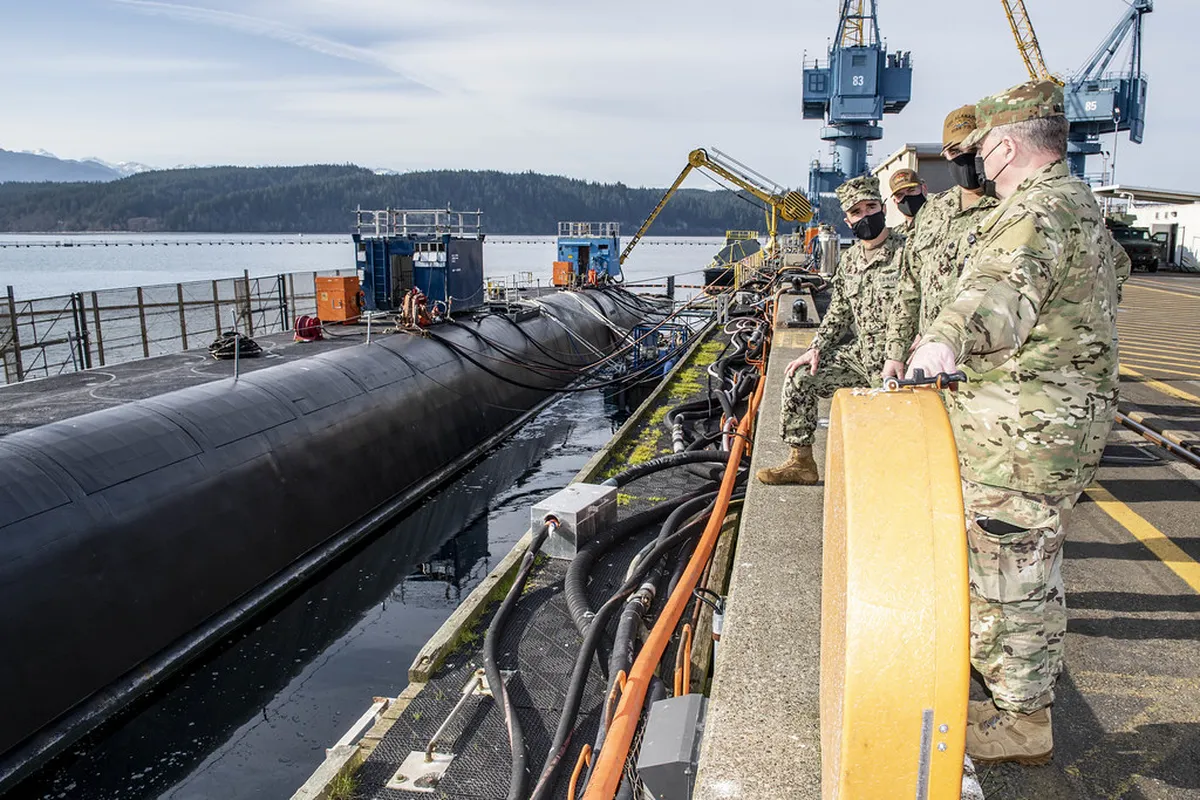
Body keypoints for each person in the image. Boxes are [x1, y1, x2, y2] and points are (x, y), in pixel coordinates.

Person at [906, 80, 1120, 765]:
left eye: (981, 152)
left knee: (1014, 579)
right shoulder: (1077, 202)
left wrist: (938, 343)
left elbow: (995, 294)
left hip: (1023, 437)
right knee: (1011, 568)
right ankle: (1012, 697)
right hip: (1047, 427)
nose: (979, 166)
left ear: (1002, 146)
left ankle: (1024, 723)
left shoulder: (1036, 210)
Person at [757, 176, 904, 485]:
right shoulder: (850, 260)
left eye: (871, 207)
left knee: (887, 431)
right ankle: (802, 462)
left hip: (899, 362)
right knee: (799, 377)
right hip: (861, 356)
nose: (866, 216)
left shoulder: (907, 253)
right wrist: (816, 348)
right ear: (848, 220)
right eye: (857, 211)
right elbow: (839, 311)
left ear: (884, 207)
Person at [881, 106, 999, 380]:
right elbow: (909, 286)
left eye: (974, 148)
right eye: (955, 152)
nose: (965, 158)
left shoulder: (1012, 208)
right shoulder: (933, 212)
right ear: (945, 155)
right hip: (931, 363)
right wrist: (895, 353)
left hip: (990, 369)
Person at [889, 168, 928, 235]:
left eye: (911, 191)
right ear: (895, 202)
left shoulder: (940, 220)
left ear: (924, 189)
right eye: (900, 195)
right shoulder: (897, 234)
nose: (906, 197)